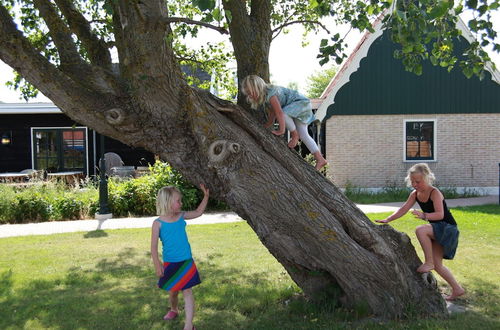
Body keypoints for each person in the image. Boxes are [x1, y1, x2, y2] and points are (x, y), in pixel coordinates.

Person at [375, 163, 465, 301]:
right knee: (438, 266)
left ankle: (428, 262)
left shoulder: (435, 193)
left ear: (427, 178)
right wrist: (388, 219)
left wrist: (424, 216)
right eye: (412, 182)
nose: (415, 184)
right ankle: (457, 289)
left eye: (418, 181)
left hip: (448, 228)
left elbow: (440, 215)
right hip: (437, 229)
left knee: (421, 230)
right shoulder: (415, 194)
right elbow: (404, 209)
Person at [151, 184, 209, 330]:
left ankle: (189, 325)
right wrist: (158, 265)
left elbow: (198, 212)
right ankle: (174, 309)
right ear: (168, 202)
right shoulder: (157, 224)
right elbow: (153, 247)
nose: (181, 204)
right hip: (171, 263)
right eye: (178, 201)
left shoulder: (182, 216)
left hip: (186, 262)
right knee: (173, 293)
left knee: (187, 291)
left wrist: (206, 196)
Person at [241, 75, 328, 171]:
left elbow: (279, 113)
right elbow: (272, 113)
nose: (249, 96)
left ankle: (295, 135)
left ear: (256, 88)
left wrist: (281, 130)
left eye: (250, 93)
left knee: (285, 114)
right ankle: (320, 159)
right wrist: (266, 125)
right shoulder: (266, 97)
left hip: (300, 103)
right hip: (299, 107)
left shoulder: (271, 93)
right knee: (304, 134)